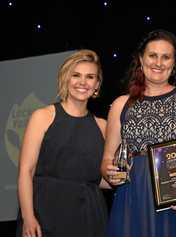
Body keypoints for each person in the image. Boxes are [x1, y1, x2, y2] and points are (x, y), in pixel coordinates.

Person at [101, 29, 176, 237]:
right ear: (141, 60)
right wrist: (111, 174)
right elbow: (108, 158)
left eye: (166, 57)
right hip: (133, 198)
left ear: (173, 63)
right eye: (152, 55)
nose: (158, 63)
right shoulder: (120, 104)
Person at [16, 49, 108, 237]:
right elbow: (26, 171)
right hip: (45, 214)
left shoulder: (103, 126)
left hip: (89, 218)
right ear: (66, 78)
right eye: (76, 75)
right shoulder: (43, 116)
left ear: (97, 84)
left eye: (90, 77)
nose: (83, 82)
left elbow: (101, 180)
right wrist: (28, 217)